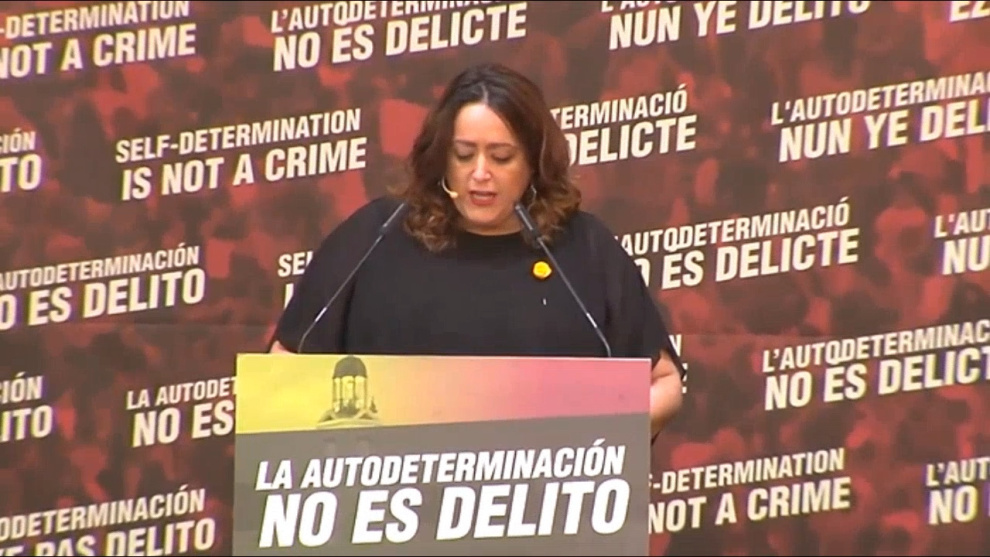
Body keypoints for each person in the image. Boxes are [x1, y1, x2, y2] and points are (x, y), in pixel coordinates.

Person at [270, 63, 684, 437]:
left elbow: (663, 383)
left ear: (534, 162)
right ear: (442, 158)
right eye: (464, 155)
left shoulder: (582, 248)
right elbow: (285, 363)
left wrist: (596, 442)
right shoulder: (376, 235)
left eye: (501, 157)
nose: (480, 174)